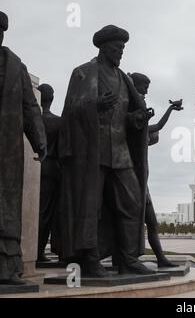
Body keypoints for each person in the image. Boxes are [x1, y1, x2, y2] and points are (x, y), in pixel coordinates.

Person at [58, 25, 154, 277]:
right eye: (117, 47)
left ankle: (127, 259)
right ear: (103, 47)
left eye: (123, 48)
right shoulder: (83, 73)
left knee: (132, 203)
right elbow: (70, 111)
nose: (120, 52)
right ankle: (89, 258)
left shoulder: (124, 79)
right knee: (91, 206)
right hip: (92, 151)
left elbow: (127, 117)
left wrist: (137, 118)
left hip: (120, 152)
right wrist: (95, 104)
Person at [0, 11, 47, 285]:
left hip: (7, 149)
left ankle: (7, 267)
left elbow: (31, 108)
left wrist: (39, 139)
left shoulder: (16, 67)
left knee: (6, 207)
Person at [129, 72, 182, 268]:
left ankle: (161, 259)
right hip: (132, 179)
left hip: (143, 182)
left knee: (151, 223)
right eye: (144, 86)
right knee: (136, 223)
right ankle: (128, 260)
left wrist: (170, 108)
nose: (147, 90)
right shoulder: (132, 115)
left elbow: (158, 125)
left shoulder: (141, 122)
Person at [37, 84, 62, 262]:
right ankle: (38, 251)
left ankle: (34, 251)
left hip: (33, 166)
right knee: (46, 213)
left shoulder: (31, 119)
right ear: (52, 99)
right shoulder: (58, 122)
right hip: (52, 168)